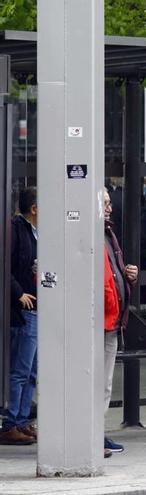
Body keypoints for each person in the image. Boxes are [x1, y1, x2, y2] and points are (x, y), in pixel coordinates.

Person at [0, 188, 38, 446]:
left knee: (32, 370)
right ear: (34, 209)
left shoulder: (35, 232)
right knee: (20, 370)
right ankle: (11, 422)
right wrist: (18, 294)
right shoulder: (17, 230)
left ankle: (22, 420)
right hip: (24, 311)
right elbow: (7, 266)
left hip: (37, 307)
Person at [103, 188, 139, 454]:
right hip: (101, 321)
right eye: (104, 203)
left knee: (104, 382)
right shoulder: (90, 233)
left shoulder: (108, 232)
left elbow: (112, 275)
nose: (110, 207)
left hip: (112, 320)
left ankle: (97, 431)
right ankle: (91, 433)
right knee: (96, 382)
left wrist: (128, 276)